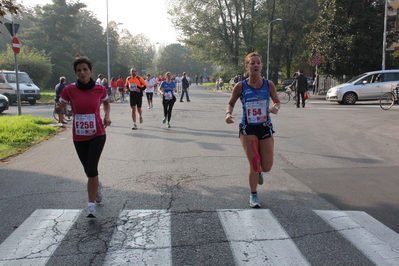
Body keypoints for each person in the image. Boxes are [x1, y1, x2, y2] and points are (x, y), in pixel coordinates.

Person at [55, 56, 111, 218]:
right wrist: (59, 108)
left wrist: (107, 116)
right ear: (76, 73)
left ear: (91, 71)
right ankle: (97, 186)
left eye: (85, 69)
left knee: (92, 168)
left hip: (97, 133)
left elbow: (106, 103)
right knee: (88, 170)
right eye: (79, 70)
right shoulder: (69, 90)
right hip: (79, 135)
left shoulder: (100, 89)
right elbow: (59, 112)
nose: (82, 72)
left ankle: (91, 205)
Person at [225, 52, 280, 208]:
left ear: (261, 65)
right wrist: (228, 114)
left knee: (266, 167)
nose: (255, 65)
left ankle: (259, 174)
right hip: (247, 128)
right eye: (252, 63)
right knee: (255, 163)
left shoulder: (269, 84)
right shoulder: (240, 86)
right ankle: (254, 195)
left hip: (265, 127)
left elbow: (277, 101)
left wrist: (275, 107)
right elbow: (230, 103)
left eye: (258, 63)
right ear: (247, 66)